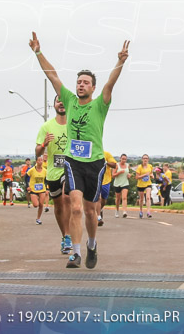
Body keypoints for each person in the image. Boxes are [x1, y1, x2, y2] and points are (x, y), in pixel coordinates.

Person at [30, 32, 130, 270]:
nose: (81, 85)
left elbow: (110, 83)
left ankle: (92, 244)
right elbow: (52, 75)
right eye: (79, 82)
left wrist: (120, 62)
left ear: (93, 88)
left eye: (85, 82)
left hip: (95, 163)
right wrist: (38, 52)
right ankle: (75, 253)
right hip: (73, 161)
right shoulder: (70, 100)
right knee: (74, 206)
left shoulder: (100, 104)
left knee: (89, 211)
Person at [37, 95, 73, 255]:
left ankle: (69, 236)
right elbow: (37, 151)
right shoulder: (46, 126)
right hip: (53, 172)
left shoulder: (73, 124)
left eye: (64, 100)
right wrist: (44, 144)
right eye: (59, 100)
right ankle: (64, 235)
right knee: (58, 206)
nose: (62, 103)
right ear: (54, 105)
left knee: (67, 198)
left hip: (69, 168)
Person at [97, 150, 117, 225]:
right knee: (97, 198)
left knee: (103, 199)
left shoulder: (106, 154)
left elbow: (114, 165)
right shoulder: (92, 153)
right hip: (96, 179)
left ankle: (100, 209)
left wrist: (105, 162)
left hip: (106, 180)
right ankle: (98, 217)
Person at [27, 155, 49, 224]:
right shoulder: (32, 170)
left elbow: (47, 180)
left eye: (41, 160)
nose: (40, 162)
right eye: (39, 160)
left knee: (41, 205)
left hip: (42, 189)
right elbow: (26, 177)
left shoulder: (45, 171)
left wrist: (47, 188)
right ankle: (35, 198)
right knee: (36, 205)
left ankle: (38, 218)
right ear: (36, 161)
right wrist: (27, 186)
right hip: (33, 190)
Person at [134, 153, 154, 218]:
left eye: (146, 158)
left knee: (148, 197)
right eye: (144, 158)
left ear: (148, 159)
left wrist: (152, 176)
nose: (145, 159)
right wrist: (144, 175)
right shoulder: (139, 167)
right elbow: (137, 177)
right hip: (140, 184)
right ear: (142, 159)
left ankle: (148, 212)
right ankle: (141, 211)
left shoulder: (150, 166)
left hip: (148, 183)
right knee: (141, 199)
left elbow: (151, 174)